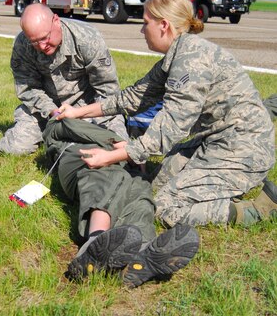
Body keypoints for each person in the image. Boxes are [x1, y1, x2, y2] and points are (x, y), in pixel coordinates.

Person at [57, 0, 276, 228]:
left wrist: (113, 155)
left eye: (145, 23)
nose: (142, 31)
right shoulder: (177, 55)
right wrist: (76, 112)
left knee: (164, 208)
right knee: (156, 184)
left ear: (163, 25)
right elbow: (132, 98)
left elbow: (170, 127)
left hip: (244, 149)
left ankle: (256, 209)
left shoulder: (191, 60)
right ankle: (225, 184)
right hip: (216, 140)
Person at [43, 116, 199, 287]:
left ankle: (141, 255)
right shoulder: (63, 119)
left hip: (124, 162)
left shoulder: (116, 118)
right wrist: (123, 145)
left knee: (139, 189)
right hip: (82, 158)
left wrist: (130, 154)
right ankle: (94, 242)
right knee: (106, 175)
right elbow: (60, 126)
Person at [0, 3, 127, 155]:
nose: (42, 46)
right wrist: (52, 111)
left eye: (45, 38)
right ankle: (55, 133)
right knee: (16, 148)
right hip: (46, 111)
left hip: (88, 108)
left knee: (117, 146)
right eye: (35, 42)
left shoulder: (87, 39)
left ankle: (66, 134)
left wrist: (82, 113)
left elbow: (107, 90)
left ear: (56, 21)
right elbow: (28, 88)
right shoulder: (23, 44)